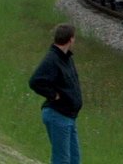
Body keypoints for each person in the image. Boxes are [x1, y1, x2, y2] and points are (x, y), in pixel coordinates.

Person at [29, 23, 83, 164]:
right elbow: (35, 81)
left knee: (74, 159)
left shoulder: (66, 58)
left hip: (69, 116)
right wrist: (54, 95)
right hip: (57, 115)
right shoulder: (52, 59)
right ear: (71, 39)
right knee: (62, 159)